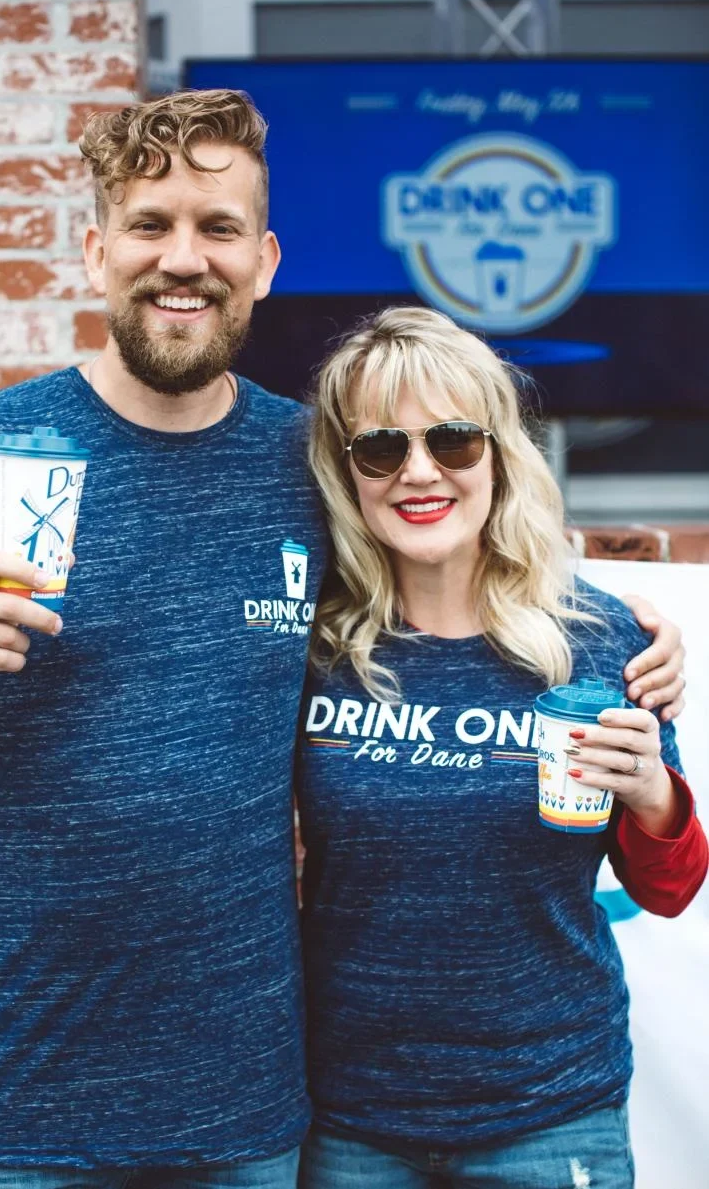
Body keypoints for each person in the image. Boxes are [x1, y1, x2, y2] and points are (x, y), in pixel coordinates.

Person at [0, 92, 685, 1187]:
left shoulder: (315, 466)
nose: (181, 258)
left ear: (265, 259)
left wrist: (623, 622)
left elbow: (451, 538)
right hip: (7, 1099)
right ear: (98, 250)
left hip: (239, 1113)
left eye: (218, 227)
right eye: (150, 224)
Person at [296, 307, 707, 1189]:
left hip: (551, 1109)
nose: (419, 472)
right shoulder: (313, 648)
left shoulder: (597, 640)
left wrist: (651, 795)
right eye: (381, 449)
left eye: (452, 440)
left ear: (498, 451)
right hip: (351, 1116)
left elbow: (667, 888)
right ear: (347, 472)